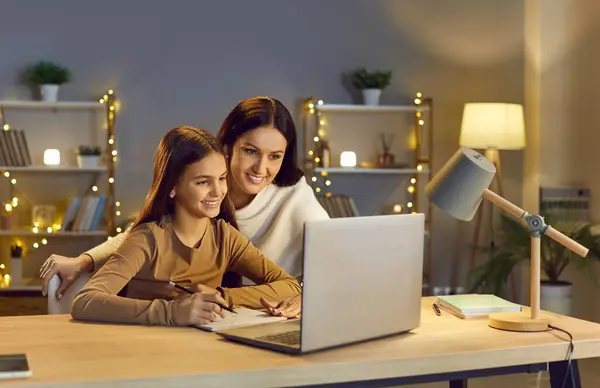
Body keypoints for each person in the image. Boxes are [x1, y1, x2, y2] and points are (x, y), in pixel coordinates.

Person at [40, 96, 328, 318]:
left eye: (275, 156)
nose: (261, 168)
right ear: (227, 147)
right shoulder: (159, 230)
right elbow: (135, 237)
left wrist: (223, 296)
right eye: (250, 151)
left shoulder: (235, 229)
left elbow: (333, 260)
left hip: (252, 316)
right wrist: (85, 260)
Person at [70, 126, 301, 326]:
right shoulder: (148, 238)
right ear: (172, 187)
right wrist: (171, 313)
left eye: (221, 179)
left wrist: (224, 296)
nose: (218, 191)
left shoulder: (224, 236)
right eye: (203, 182)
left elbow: (291, 286)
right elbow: (86, 301)